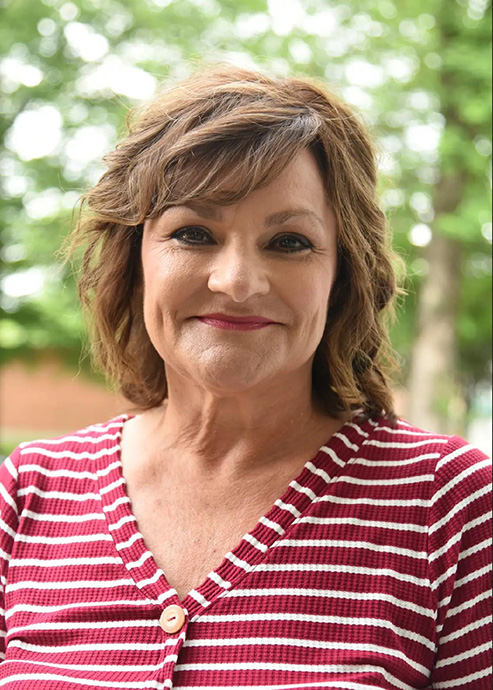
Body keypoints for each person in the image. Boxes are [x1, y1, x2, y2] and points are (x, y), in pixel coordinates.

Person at [0, 64, 491, 690]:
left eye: (288, 242)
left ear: (341, 276)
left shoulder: (449, 505)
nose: (236, 281)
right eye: (193, 233)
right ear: (135, 259)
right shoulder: (30, 493)